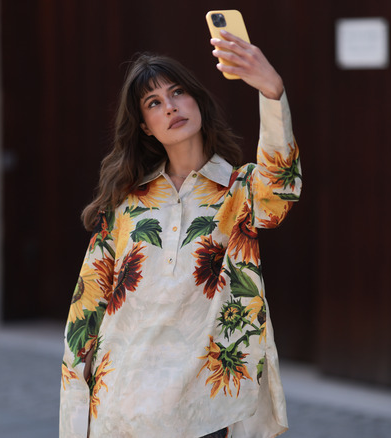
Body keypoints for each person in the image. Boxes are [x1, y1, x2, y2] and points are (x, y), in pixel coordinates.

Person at [59, 29, 301, 438]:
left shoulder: (239, 191)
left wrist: (271, 91)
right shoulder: (124, 203)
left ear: (197, 101)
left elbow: (281, 189)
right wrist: (76, 409)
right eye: (154, 103)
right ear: (145, 126)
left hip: (203, 404)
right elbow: (87, 307)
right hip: (125, 401)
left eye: (177, 93)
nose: (170, 106)